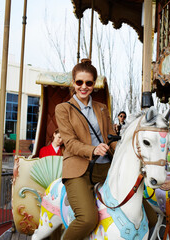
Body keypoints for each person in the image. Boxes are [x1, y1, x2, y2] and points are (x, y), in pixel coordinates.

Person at [55, 59, 117, 240]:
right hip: (78, 170)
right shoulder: (64, 109)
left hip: (105, 168)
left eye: (88, 83)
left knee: (146, 214)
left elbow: (111, 137)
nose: (84, 87)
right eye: (79, 82)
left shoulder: (102, 108)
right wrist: (93, 150)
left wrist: (122, 149)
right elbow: (70, 143)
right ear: (73, 83)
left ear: (94, 84)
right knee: (87, 219)